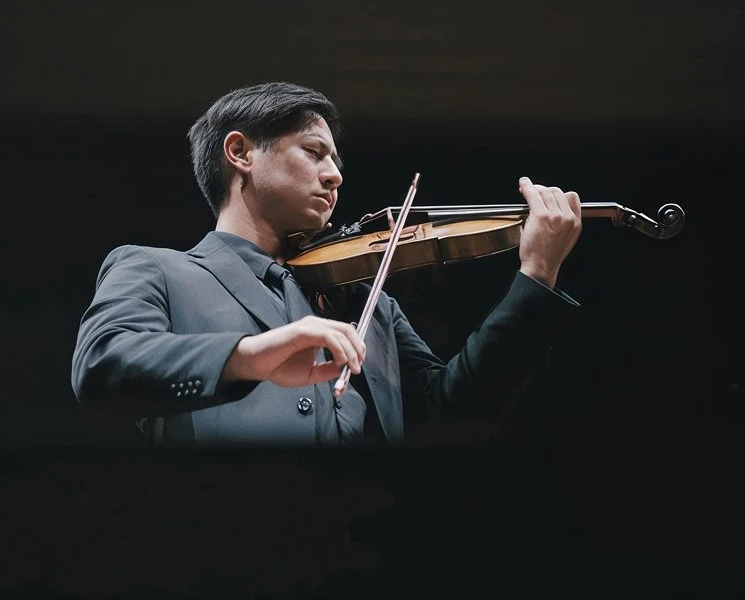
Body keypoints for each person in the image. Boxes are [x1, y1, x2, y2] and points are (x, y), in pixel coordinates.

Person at [70, 81, 583, 447]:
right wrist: (252, 354)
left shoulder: (366, 302)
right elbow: (102, 366)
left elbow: (455, 411)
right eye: (314, 152)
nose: (334, 175)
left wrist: (536, 277)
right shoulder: (157, 270)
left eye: (336, 161)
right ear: (240, 152)